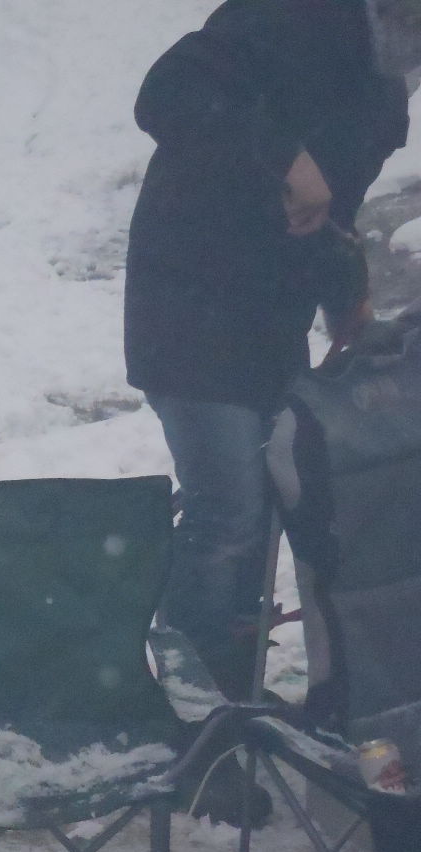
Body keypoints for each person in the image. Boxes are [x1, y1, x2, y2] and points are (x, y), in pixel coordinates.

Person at [125, 0, 416, 707]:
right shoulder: (292, 16)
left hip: (270, 321)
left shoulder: (382, 95)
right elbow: (165, 93)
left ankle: (237, 689)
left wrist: (347, 295)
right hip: (186, 303)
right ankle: (195, 705)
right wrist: (286, 155)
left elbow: (333, 212)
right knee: (228, 510)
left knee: (270, 504)